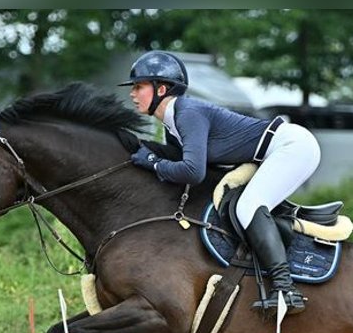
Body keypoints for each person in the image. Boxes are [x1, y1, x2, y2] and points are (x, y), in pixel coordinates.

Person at [120, 50, 321, 314]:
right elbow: (184, 165)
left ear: (162, 88)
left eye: (139, 86)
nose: (132, 94)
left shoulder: (187, 112)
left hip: (293, 147)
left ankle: (285, 289)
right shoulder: (171, 124)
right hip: (275, 150)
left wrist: (152, 162)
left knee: (248, 206)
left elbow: (193, 172)